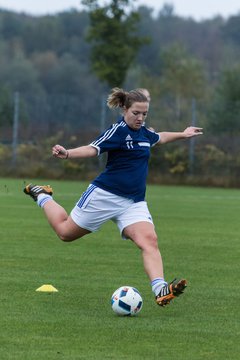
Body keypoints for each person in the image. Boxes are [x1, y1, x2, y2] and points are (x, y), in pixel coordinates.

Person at [23, 87, 203, 307]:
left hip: (133, 202)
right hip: (104, 196)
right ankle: (42, 195)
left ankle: (160, 289)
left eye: (144, 114)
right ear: (124, 109)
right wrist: (68, 153)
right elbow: (92, 148)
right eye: (136, 113)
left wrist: (183, 134)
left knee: (149, 241)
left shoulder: (145, 133)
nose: (140, 118)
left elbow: (160, 138)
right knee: (65, 233)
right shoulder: (117, 132)